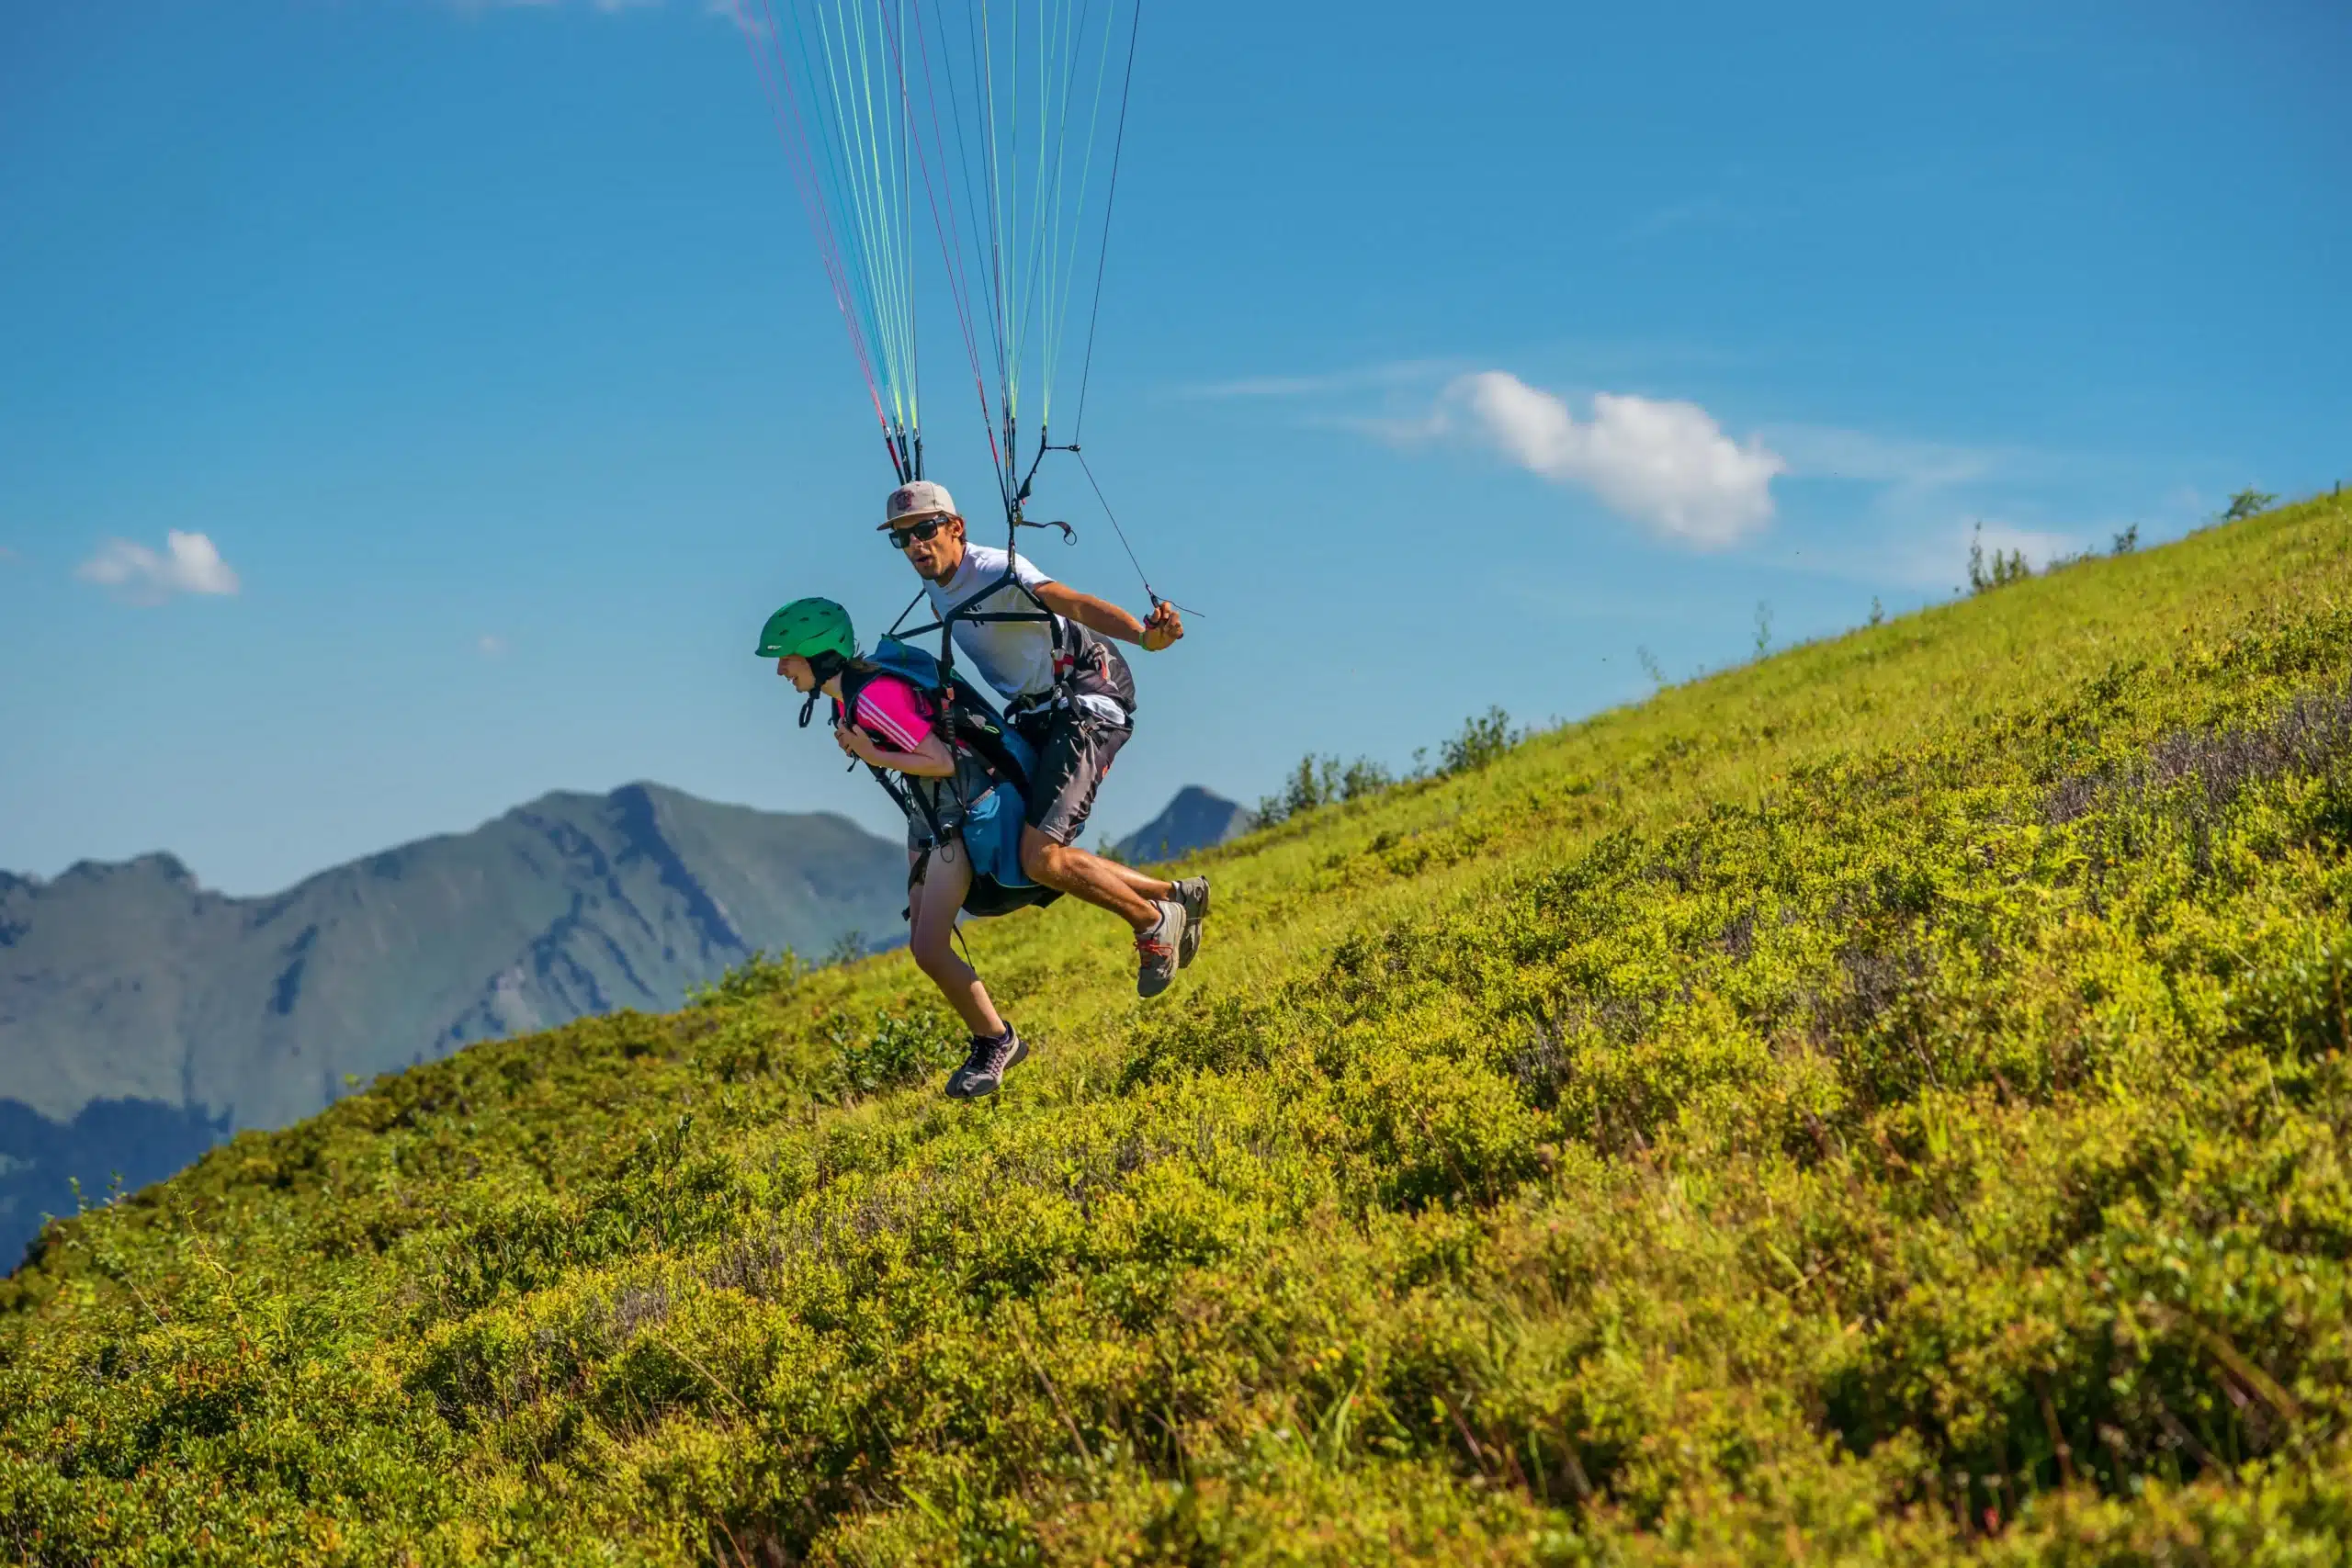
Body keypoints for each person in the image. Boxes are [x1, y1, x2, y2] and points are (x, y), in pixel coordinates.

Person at [878, 479, 1209, 997]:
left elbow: (1071, 602)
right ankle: (1176, 896)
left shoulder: (995, 568)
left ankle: (1150, 921)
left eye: (925, 529)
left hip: (1085, 696)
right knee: (1022, 847)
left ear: (956, 527)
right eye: (902, 538)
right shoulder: (935, 583)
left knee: (1041, 856)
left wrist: (1145, 637)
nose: (916, 545)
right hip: (1033, 712)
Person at [757, 596, 1035, 1099]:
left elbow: (941, 759)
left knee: (929, 949)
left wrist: (868, 749)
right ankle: (993, 1037)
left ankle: (997, 1041)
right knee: (923, 946)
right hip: (931, 820)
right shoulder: (849, 696)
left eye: (787, 658)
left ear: (818, 656)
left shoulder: (875, 695)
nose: (780, 670)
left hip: (959, 815)